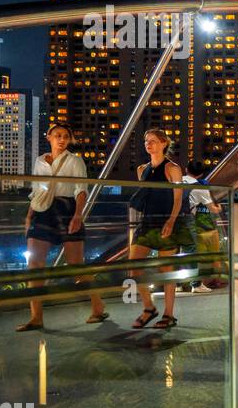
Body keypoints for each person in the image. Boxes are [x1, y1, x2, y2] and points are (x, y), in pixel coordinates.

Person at [16, 122, 108, 330]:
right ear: (49, 137)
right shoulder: (40, 161)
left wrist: (78, 215)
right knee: (34, 264)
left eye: (66, 136)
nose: (62, 139)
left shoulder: (75, 161)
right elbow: (37, 190)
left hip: (66, 210)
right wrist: (29, 215)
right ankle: (36, 317)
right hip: (42, 212)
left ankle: (98, 306)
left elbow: (81, 190)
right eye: (57, 135)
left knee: (76, 264)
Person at [126, 128, 194, 329]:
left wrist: (171, 221)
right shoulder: (142, 169)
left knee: (166, 269)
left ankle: (169, 314)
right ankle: (149, 307)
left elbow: (178, 198)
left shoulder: (172, 168)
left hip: (166, 221)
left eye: (153, 141)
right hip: (147, 222)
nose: (148, 144)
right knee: (133, 265)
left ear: (164, 143)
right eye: (146, 141)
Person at [183, 160, 223, 293]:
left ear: (186, 169)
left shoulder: (177, 180)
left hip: (170, 216)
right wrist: (219, 208)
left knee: (176, 251)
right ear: (200, 174)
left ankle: (179, 283)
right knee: (191, 251)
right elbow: (213, 209)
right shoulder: (200, 187)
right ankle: (196, 284)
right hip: (186, 219)